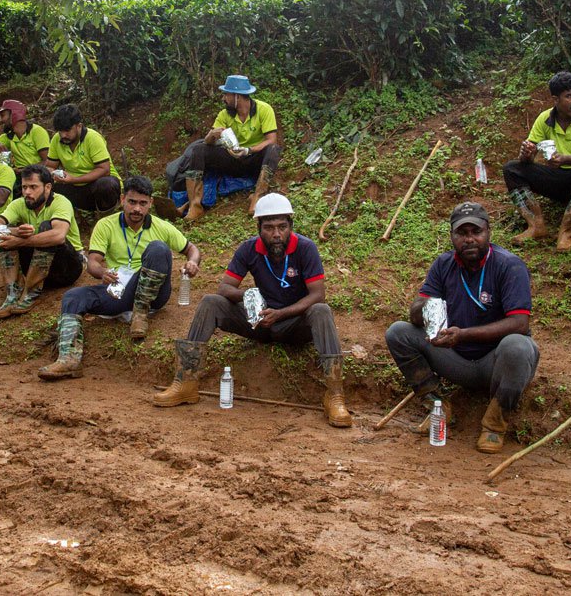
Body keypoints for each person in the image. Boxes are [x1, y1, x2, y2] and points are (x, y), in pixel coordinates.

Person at [152, 193, 352, 428]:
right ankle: (185, 381)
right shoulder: (249, 249)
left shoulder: (305, 248)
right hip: (258, 322)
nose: (276, 234)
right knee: (210, 302)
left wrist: (281, 313)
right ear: (259, 228)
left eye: (282, 227)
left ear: (291, 226)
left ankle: (335, 395)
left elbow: (318, 294)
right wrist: (251, 297)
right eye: (268, 227)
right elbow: (225, 287)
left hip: (293, 325)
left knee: (321, 310)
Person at [384, 202, 540, 453]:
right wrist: (422, 311)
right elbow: (419, 309)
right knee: (398, 333)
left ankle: (494, 423)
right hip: (457, 360)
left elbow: (519, 324)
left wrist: (463, 335)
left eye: (475, 232)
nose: (469, 239)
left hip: (496, 363)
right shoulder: (444, 265)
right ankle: (438, 405)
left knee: (518, 346)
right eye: (462, 233)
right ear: (452, 236)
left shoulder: (509, 266)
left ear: (488, 232)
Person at [38, 176, 201, 380]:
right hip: (119, 289)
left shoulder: (161, 226)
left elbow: (191, 249)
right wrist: (102, 273)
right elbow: (93, 262)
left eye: (143, 203)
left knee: (158, 248)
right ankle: (69, 359)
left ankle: (139, 316)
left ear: (150, 203)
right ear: (123, 199)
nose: (137, 209)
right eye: (132, 202)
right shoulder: (105, 225)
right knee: (73, 297)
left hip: (154, 295)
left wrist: (193, 262)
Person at [502, 71, 571, 250]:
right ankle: (536, 226)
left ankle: (566, 231)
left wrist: (566, 158)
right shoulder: (544, 119)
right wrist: (526, 153)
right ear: (555, 99)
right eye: (570, 96)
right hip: (558, 178)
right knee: (512, 168)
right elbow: (528, 158)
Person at [172, 74, 282, 221]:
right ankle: (195, 206)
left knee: (273, 149)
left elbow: (271, 140)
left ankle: (257, 197)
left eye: (226, 94)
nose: (223, 98)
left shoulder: (264, 110)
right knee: (198, 149)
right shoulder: (224, 114)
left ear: (237, 96)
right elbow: (208, 142)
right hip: (231, 160)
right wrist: (212, 135)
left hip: (253, 160)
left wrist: (249, 150)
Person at [0, 163, 85, 318]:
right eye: (25, 187)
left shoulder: (60, 202)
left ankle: (30, 292)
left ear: (47, 187)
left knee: (47, 229)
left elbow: (59, 236)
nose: (27, 192)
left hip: (67, 268)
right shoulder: (19, 204)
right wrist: (14, 231)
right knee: (4, 234)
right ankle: (12, 293)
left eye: (33, 187)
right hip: (34, 266)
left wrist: (19, 241)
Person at [46, 103, 121, 213]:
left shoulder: (92, 138)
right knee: (47, 187)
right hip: (73, 187)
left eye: (67, 130)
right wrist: (54, 174)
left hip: (95, 186)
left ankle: (107, 217)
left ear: (79, 126)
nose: (63, 135)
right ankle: (66, 219)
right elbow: (49, 166)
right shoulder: (57, 139)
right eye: (60, 131)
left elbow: (104, 170)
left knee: (106, 185)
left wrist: (74, 179)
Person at [0, 99, 50, 169]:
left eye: (2, 116)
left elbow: (47, 161)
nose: (0, 121)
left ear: (14, 114)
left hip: (38, 174)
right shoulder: (9, 136)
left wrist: (24, 170)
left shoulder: (37, 132)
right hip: (19, 174)